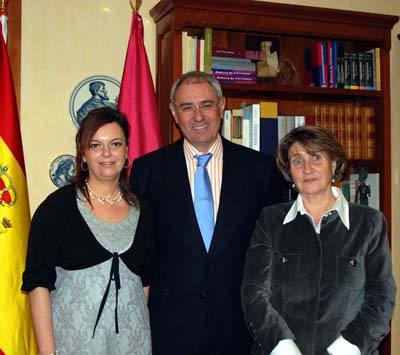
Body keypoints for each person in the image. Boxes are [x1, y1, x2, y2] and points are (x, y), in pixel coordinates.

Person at [129, 71, 286, 355]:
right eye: (187, 107)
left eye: (206, 104)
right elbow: (140, 251)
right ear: (174, 113)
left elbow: (274, 252)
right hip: (170, 327)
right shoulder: (148, 171)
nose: (198, 116)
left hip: (241, 325)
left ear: (222, 106)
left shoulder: (261, 170)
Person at [241, 125, 396, 355]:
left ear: (334, 164)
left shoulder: (369, 222)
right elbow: (254, 294)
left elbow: (380, 298)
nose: (307, 168)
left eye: (316, 157)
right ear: (289, 173)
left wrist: (342, 351)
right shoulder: (271, 221)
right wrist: (285, 350)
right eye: (297, 161)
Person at [22, 107, 154, 355]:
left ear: (127, 151)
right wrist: (48, 352)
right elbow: (37, 282)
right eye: (95, 145)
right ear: (83, 154)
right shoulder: (57, 208)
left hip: (133, 345)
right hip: (72, 345)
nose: (106, 153)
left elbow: (145, 284)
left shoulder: (144, 211)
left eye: (115, 143)